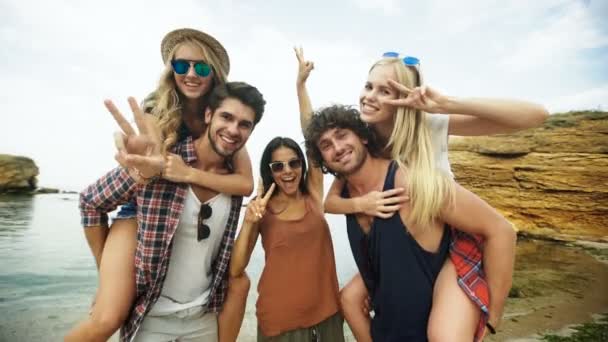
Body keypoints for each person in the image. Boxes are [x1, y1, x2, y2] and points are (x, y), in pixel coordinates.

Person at [296, 48, 546, 341]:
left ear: (405, 96)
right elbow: (319, 146)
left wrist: (446, 103)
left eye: (385, 90)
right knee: (350, 299)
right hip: (409, 238)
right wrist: (301, 86)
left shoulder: (428, 124)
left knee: (442, 333)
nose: (370, 96)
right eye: (369, 86)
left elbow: (536, 116)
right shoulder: (367, 140)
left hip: (453, 233)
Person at [65, 29, 254, 342]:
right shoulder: (158, 106)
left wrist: (188, 173)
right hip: (141, 209)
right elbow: (153, 161)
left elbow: (245, 183)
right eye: (182, 66)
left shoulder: (224, 118)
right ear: (172, 69)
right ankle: (109, 283)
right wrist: (147, 159)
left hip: (179, 204)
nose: (191, 74)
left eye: (201, 67)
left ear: (214, 74)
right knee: (108, 317)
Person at [304, 105, 517, 341]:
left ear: (362, 136)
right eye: (326, 145)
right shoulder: (345, 194)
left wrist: (492, 318)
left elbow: (501, 230)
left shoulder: (411, 181)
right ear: (322, 158)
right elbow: (328, 203)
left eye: (342, 135)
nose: (337, 148)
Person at [228, 66, 345, 341]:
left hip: (328, 316)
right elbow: (235, 268)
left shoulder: (313, 194)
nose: (287, 171)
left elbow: (312, 137)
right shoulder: (261, 208)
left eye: (293, 163)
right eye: (278, 166)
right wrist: (249, 223)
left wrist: (300, 87)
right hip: (280, 323)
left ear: (302, 165)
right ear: (270, 171)